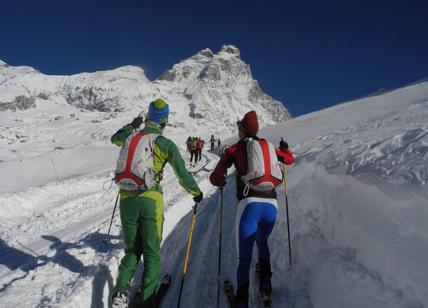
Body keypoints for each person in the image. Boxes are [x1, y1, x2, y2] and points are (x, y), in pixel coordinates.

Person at [111, 98, 203, 308]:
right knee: (151, 253)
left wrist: (132, 125)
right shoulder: (164, 143)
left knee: (132, 251)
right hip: (150, 201)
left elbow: (115, 138)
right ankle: (147, 299)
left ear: (148, 116)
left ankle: (120, 293)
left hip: (126, 199)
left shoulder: (131, 136)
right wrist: (196, 192)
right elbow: (182, 173)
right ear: (165, 121)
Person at [209, 111, 294, 308]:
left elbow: (215, 178)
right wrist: (285, 149)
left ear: (242, 130)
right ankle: (266, 286)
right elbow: (289, 160)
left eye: (239, 129)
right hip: (271, 205)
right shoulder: (269, 147)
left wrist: (221, 181)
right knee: (262, 243)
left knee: (244, 258)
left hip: (249, 205)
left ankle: (241, 303)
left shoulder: (236, 148)